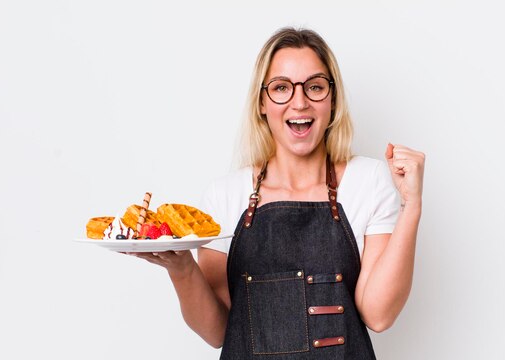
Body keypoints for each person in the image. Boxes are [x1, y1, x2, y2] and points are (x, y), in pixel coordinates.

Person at [131, 27, 425, 359]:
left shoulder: (367, 181)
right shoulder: (225, 196)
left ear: (333, 99)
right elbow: (216, 332)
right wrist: (181, 267)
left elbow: (379, 314)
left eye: (314, 87)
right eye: (282, 88)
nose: (299, 102)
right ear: (261, 102)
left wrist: (411, 205)